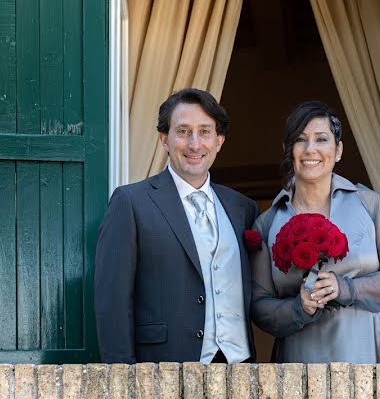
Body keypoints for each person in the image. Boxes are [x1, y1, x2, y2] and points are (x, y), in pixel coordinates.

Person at [95, 88, 259, 364]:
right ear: (165, 140)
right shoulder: (131, 203)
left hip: (238, 366)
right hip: (164, 368)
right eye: (183, 131)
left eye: (205, 132)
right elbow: (112, 302)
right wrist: (121, 378)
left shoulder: (242, 207)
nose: (195, 144)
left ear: (219, 141)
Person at [250, 101, 380, 363]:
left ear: (338, 150)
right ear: (288, 150)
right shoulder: (268, 223)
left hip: (371, 347)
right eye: (300, 140)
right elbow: (259, 306)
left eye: (322, 139)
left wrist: (345, 287)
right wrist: (298, 307)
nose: (310, 149)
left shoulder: (369, 203)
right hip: (302, 354)